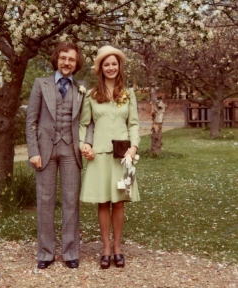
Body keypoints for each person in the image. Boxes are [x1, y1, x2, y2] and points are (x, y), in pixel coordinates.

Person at [26, 42, 93, 269]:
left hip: (71, 151)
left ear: (77, 63)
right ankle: (45, 253)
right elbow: (31, 120)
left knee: (71, 202)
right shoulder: (40, 84)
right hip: (45, 151)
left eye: (71, 59)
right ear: (56, 59)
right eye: (63, 58)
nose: (67, 63)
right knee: (45, 202)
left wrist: (88, 143)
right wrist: (33, 152)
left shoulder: (82, 87)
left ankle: (71, 251)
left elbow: (89, 121)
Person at [79, 45, 140, 269]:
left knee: (120, 202)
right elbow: (84, 124)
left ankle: (117, 248)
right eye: (107, 64)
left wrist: (134, 147)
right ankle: (105, 249)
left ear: (119, 66)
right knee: (103, 203)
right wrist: (84, 145)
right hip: (100, 156)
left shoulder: (129, 94)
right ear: (100, 68)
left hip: (124, 158)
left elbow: (133, 124)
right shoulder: (92, 96)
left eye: (114, 63)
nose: (111, 67)